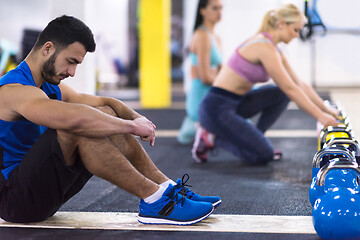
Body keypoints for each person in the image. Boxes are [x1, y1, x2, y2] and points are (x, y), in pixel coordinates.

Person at [0, 15, 221, 225]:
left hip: (44, 192)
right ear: (48, 48)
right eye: (70, 62)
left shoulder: (49, 85)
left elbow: (103, 102)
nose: (73, 72)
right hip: (16, 200)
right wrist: (131, 126)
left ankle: (166, 187)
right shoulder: (13, 90)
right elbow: (75, 119)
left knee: (102, 112)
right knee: (77, 126)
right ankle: (155, 200)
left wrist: (137, 117)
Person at [193, 3, 340, 165]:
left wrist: (326, 109)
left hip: (238, 103)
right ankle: (210, 137)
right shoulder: (263, 46)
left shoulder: (276, 49)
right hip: (216, 108)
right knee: (263, 155)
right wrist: (320, 116)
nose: (297, 35)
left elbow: (299, 83)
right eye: (295, 30)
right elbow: (290, 88)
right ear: (282, 24)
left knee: (279, 93)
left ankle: (257, 138)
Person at [177, 0, 223, 149]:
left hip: (212, 93)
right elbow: (206, 77)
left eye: (221, 8)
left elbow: (223, 71)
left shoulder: (216, 37)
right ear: (202, 11)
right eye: (215, 8)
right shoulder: (202, 35)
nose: (219, 12)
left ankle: (201, 128)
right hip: (201, 96)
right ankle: (198, 127)